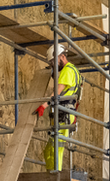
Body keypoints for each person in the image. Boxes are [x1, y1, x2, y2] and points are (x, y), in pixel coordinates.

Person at [35, 44, 83, 172]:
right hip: (65, 112)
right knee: (50, 149)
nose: (52, 64)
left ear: (62, 56)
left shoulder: (67, 70)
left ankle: (55, 179)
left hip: (64, 113)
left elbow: (57, 92)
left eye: (53, 61)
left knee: (56, 148)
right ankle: (52, 175)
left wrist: (43, 106)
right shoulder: (74, 70)